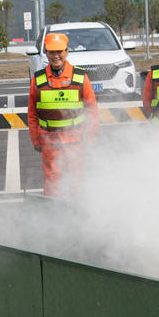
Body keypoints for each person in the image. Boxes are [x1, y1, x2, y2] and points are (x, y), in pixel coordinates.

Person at [27, 33, 98, 197]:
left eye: (59, 51)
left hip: (76, 139)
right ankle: (55, 216)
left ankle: (77, 214)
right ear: (46, 53)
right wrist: (36, 139)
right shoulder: (38, 80)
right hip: (49, 140)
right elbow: (32, 113)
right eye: (51, 52)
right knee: (52, 181)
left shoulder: (80, 77)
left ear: (66, 52)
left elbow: (92, 111)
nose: (56, 56)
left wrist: (91, 138)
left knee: (77, 178)